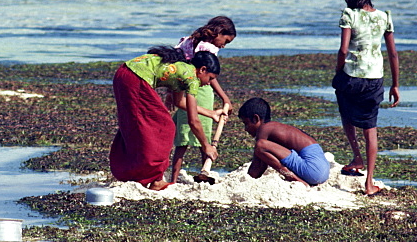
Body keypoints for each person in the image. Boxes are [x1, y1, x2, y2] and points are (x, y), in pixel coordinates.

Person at [110, 47, 220, 191]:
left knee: (135, 125)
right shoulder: (192, 78)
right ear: (202, 70)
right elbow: (193, 121)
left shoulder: (184, 69)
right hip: (136, 78)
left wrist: (211, 113)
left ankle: (133, 171)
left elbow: (179, 102)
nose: (209, 83)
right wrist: (206, 146)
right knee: (165, 126)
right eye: (210, 78)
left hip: (123, 73)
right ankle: (155, 179)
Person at [332, 0, 400, 196]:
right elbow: (393, 54)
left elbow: (343, 50)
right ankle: (369, 182)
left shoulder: (349, 14)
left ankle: (356, 156)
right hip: (375, 78)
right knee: (371, 129)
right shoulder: (384, 17)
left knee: (346, 113)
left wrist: (338, 70)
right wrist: (395, 85)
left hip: (352, 76)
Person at [170, 16, 237, 183]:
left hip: (184, 88)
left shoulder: (190, 40)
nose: (223, 45)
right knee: (203, 135)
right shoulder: (207, 48)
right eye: (225, 41)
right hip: (201, 90)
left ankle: (173, 177)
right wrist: (224, 97)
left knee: (182, 139)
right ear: (219, 32)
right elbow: (209, 76)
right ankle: (204, 171)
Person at [238, 97, 330, 187]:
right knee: (261, 147)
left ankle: (295, 179)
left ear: (255, 119)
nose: (245, 129)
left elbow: (257, 166)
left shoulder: (264, 129)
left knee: (260, 145)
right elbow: (262, 163)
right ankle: (300, 179)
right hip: (323, 171)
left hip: (312, 169)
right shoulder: (276, 128)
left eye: (246, 123)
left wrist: (244, 181)